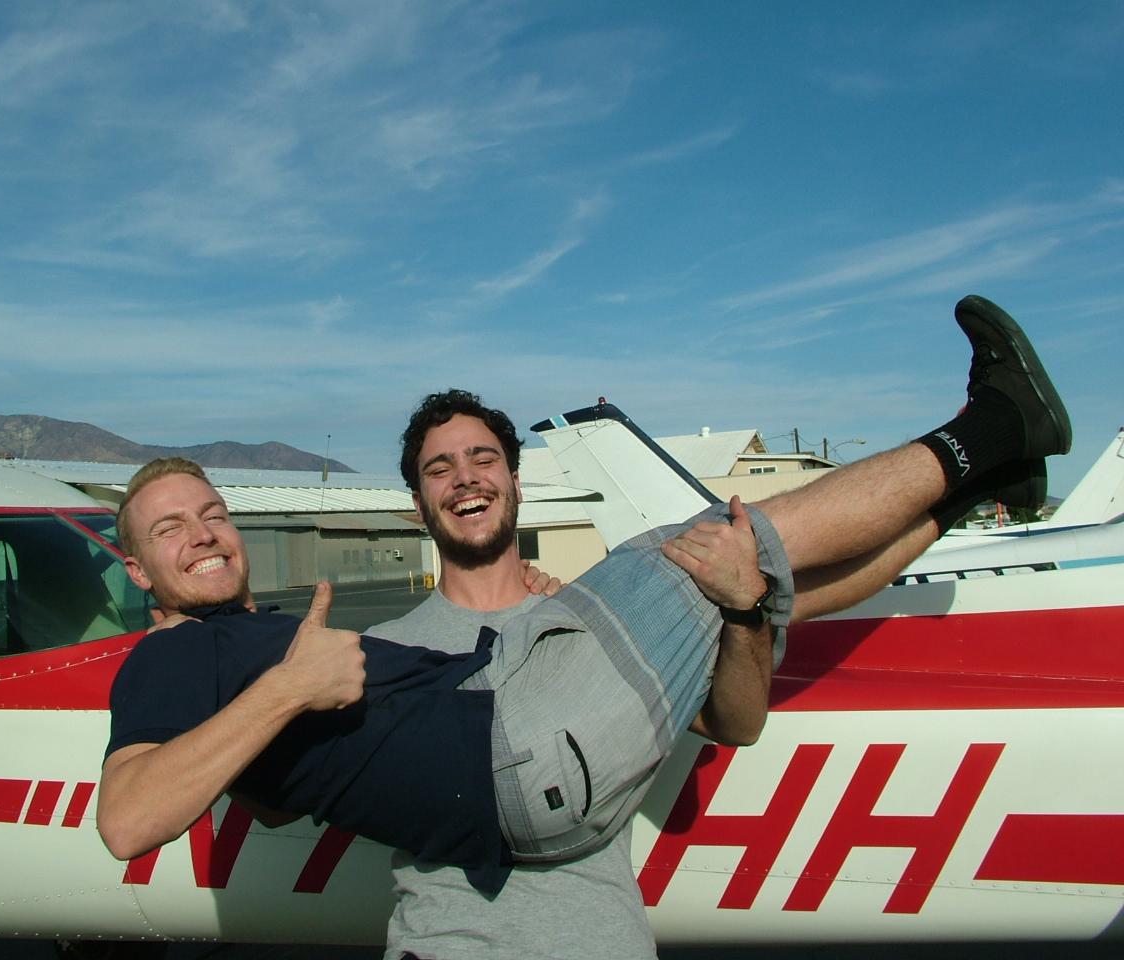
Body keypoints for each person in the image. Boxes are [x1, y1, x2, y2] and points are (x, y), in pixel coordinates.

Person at [97, 295, 1068, 903]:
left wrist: (280, 719)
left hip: (534, 748)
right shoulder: (172, 657)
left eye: (212, 513)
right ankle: (995, 425)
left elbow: (272, 809)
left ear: (514, 483)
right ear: (137, 571)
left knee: (746, 582)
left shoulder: (245, 654)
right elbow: (127, 822)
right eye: (170, 530)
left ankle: (986, 485)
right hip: (523, 747)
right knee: (693, 545)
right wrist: (287, 690)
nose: (205, 533)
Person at [366, 389, 774, 960]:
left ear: (515, 484)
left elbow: (737, 723)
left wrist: (744, 609)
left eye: (483, 459)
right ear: (418, 503)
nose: (465, 478)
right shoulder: (378, 653)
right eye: (440, 469)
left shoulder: (591, 618)